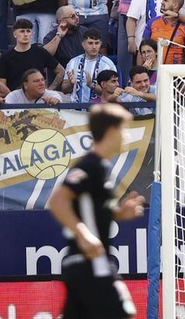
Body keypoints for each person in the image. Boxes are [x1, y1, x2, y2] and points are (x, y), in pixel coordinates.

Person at [49, 103, 147, 319]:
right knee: (124, 313)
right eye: (124, 129)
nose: (127, 136)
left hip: (82, 263)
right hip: (91, 261)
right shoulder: (90, 165)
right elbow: (57, 201)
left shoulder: (101, 168)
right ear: (112, 131)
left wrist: (120, 213)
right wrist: (84, 235)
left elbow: (93, 211)